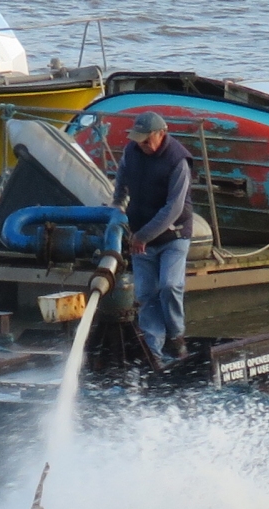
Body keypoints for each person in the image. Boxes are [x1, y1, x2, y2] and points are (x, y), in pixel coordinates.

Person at [112, 111, 194, 360]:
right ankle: (153, 353)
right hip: (141, 234)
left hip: (174, 235)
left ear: (162, 134)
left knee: (170, 285)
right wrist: (117, 206)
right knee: (145, 294)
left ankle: (176, 336)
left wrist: (143, 236)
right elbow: (122, 181)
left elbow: (174, 208)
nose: (142, 145)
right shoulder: (131, 152)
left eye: (147, 141)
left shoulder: (178, 160)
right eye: (139, 140)